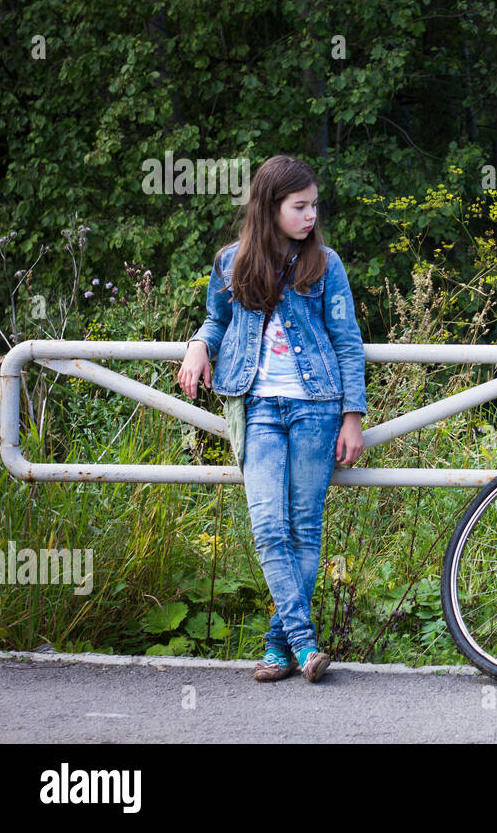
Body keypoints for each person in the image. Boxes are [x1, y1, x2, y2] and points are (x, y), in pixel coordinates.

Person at [177, 154, 366, 684]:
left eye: (313, 206)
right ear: (269, 206)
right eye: (299, 206)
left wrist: (352, 415)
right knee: (267, 527)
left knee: (304, 527)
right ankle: (306, 646)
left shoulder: (325, 264)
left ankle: (279, 650)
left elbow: (348, 344)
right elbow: (218, 318)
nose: (310, 216)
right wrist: (197, 346)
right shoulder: (230, 261)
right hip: (257, 406)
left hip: (317, 407)